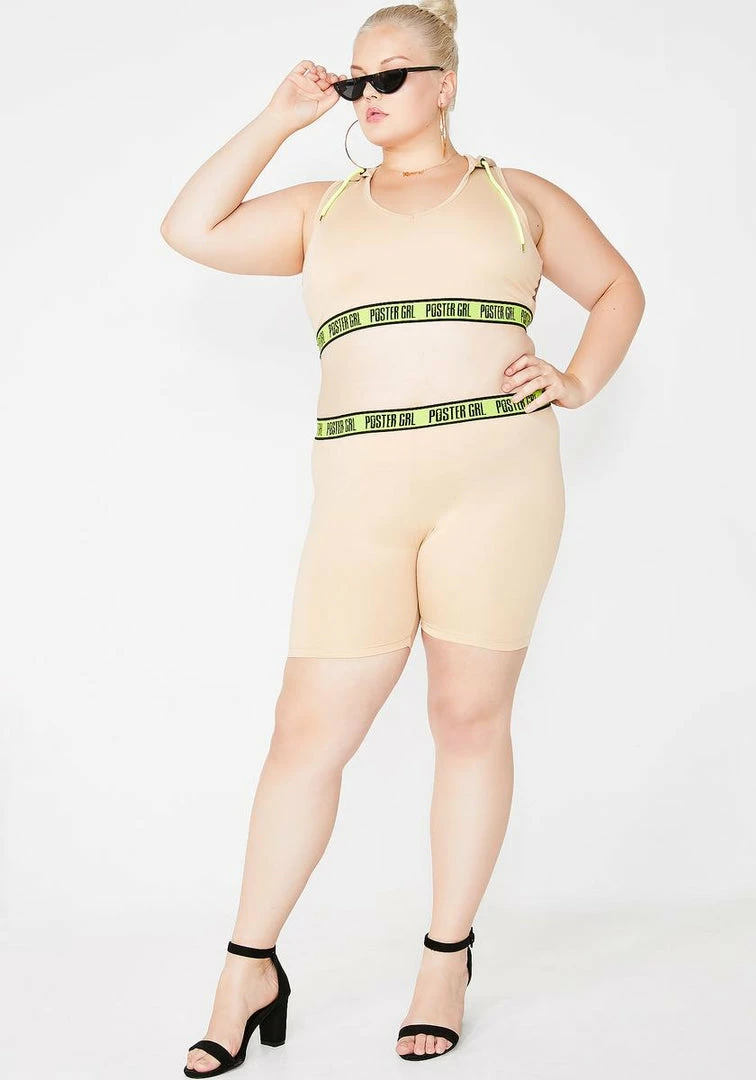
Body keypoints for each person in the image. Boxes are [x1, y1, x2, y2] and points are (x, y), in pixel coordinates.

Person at [161, 1, 645, 1073]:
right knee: (305, 734)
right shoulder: (322, 208)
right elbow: (190, 228)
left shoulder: (518, 197)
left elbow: (618, 288)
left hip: (499, 487)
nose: (365, 96)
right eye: (354, 80)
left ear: (446, 83)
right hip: (361, 498)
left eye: (389, 76)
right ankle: (248, 964)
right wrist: (277, 118)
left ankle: (445, 958)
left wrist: (577, 378)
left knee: (467, 718)